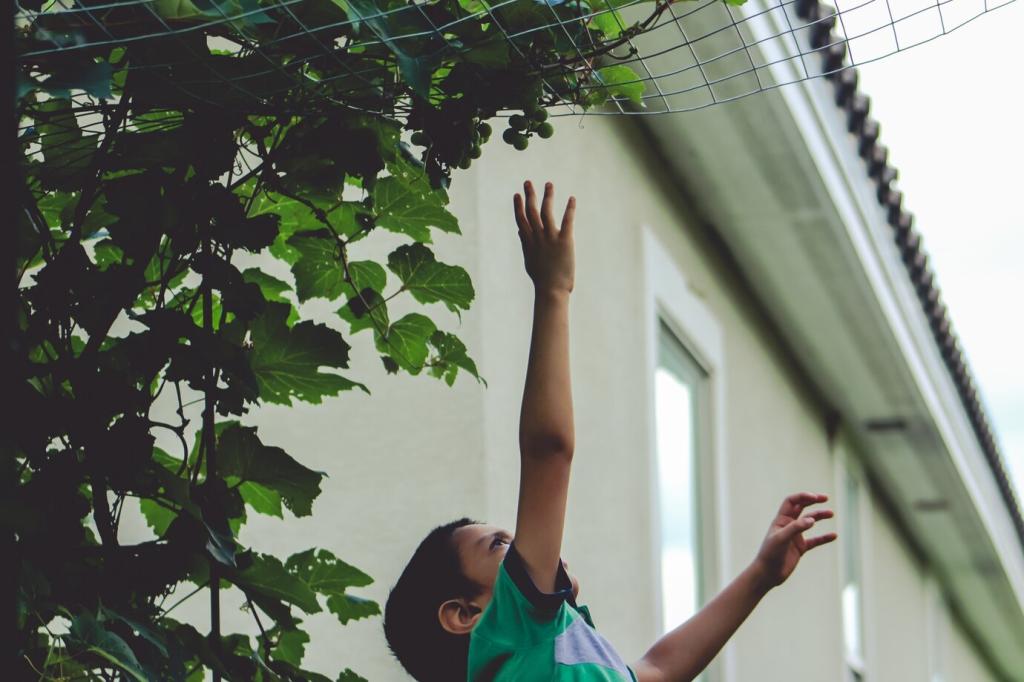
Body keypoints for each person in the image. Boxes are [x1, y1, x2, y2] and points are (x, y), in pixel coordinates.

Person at [383, 181, 838, 681]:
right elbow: (549, 452)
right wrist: (553, 292)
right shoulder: (518, 633)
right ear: (465, 615)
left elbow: (659, 668)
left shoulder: (552, 652)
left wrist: (761, 576)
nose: (521, 547)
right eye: (498, 546)